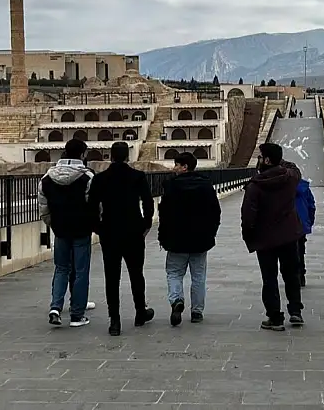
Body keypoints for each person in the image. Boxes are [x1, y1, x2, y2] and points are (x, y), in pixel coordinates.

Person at [88, 141, 155, 336]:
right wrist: (147, 223)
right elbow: (148, 202)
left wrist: (98, 228)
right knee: (136, 273)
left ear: (110, 156)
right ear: (127, 156)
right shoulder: (137, 176)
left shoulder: (100, 179)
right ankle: (140, 311)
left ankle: (114, 320)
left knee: (112, 277)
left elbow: (92, 206)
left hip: (109, 231)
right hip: (133, 231)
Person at [241, 143, 305, 331]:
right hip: (288, 235)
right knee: (291, 275)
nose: (258, 160)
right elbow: (295, 169)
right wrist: (278, 161)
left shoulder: (255, 186)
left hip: (265, 239)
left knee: (269, 278)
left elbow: (248, 216)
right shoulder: (290, 178)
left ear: (267, 160)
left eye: (260, 157)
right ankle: (295, 311)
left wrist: (249, 236)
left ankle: (275, 317)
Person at [158, 152, 221, 326]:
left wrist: (163, 236)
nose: (174, 168)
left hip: (176, 239)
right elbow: (215, 211)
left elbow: (164, 213)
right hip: (200, 239)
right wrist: (211, 233)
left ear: (185, 167)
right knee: (198, 276)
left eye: (177, 165)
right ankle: (197, 311)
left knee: (174, 273)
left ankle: (177, 300)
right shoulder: (205, 185)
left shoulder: (171, 186)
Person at [38, 139, 95, 328]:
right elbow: (94, 205)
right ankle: (77, 314)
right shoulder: (87, 177)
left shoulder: (47, 177)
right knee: (80, 271)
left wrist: (52, 223)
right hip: (81, 229)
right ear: (82, 155)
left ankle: (55, 307)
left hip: (60, 229)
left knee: (61, 268)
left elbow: (43, 207)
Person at [294, 177, 316, 287]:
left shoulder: (282, 186)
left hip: (286, 224)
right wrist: (309, 221)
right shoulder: (304, 187)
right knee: (300, 250)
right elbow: (311, 205)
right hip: (301, 223)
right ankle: (301, 274)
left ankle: (292, 276)